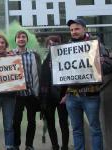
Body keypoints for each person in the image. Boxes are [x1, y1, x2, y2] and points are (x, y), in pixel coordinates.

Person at [60, 18, 112, 150]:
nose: (74, 32)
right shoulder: (66, 48)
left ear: (84, 29)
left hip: (91, 95)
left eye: (77, 28)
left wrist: (100, 62)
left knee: (95, 129)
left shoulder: (96, 45)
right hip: (72, 96)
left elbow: (108, 66)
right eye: (71, 30)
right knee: (76, 130)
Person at [12, 30, 41, 150]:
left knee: (31, 121)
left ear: (27, 40)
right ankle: (16, 144)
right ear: (15, 40)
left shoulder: (34, 55)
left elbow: (38, 73)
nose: (21, 39)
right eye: (18, 37)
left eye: (23, 37)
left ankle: (29, 144)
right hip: (17, 94)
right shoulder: (10, 55)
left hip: (31, 94)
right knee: (16, 121)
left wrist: (38, 92)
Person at [40, 36, 69, 150]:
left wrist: (67, 94)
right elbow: (42, 79)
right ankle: (55, 146)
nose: (52, 46)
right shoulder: (45, 60)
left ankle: (65, 146)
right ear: (47, 46)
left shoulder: (66, 59)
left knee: (63, 123)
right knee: (50, 123)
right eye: (50, 44)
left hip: (62, 96)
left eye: (55, 43)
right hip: (48, 97)